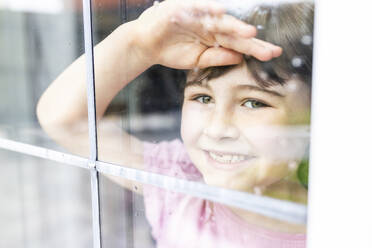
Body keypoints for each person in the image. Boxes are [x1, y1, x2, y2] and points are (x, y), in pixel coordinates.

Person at [37, 0, 313, 247]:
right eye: (203, 97)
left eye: (253, 103)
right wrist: (139, 44)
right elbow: (64, 121)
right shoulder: (181, 181)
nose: (217, 129)